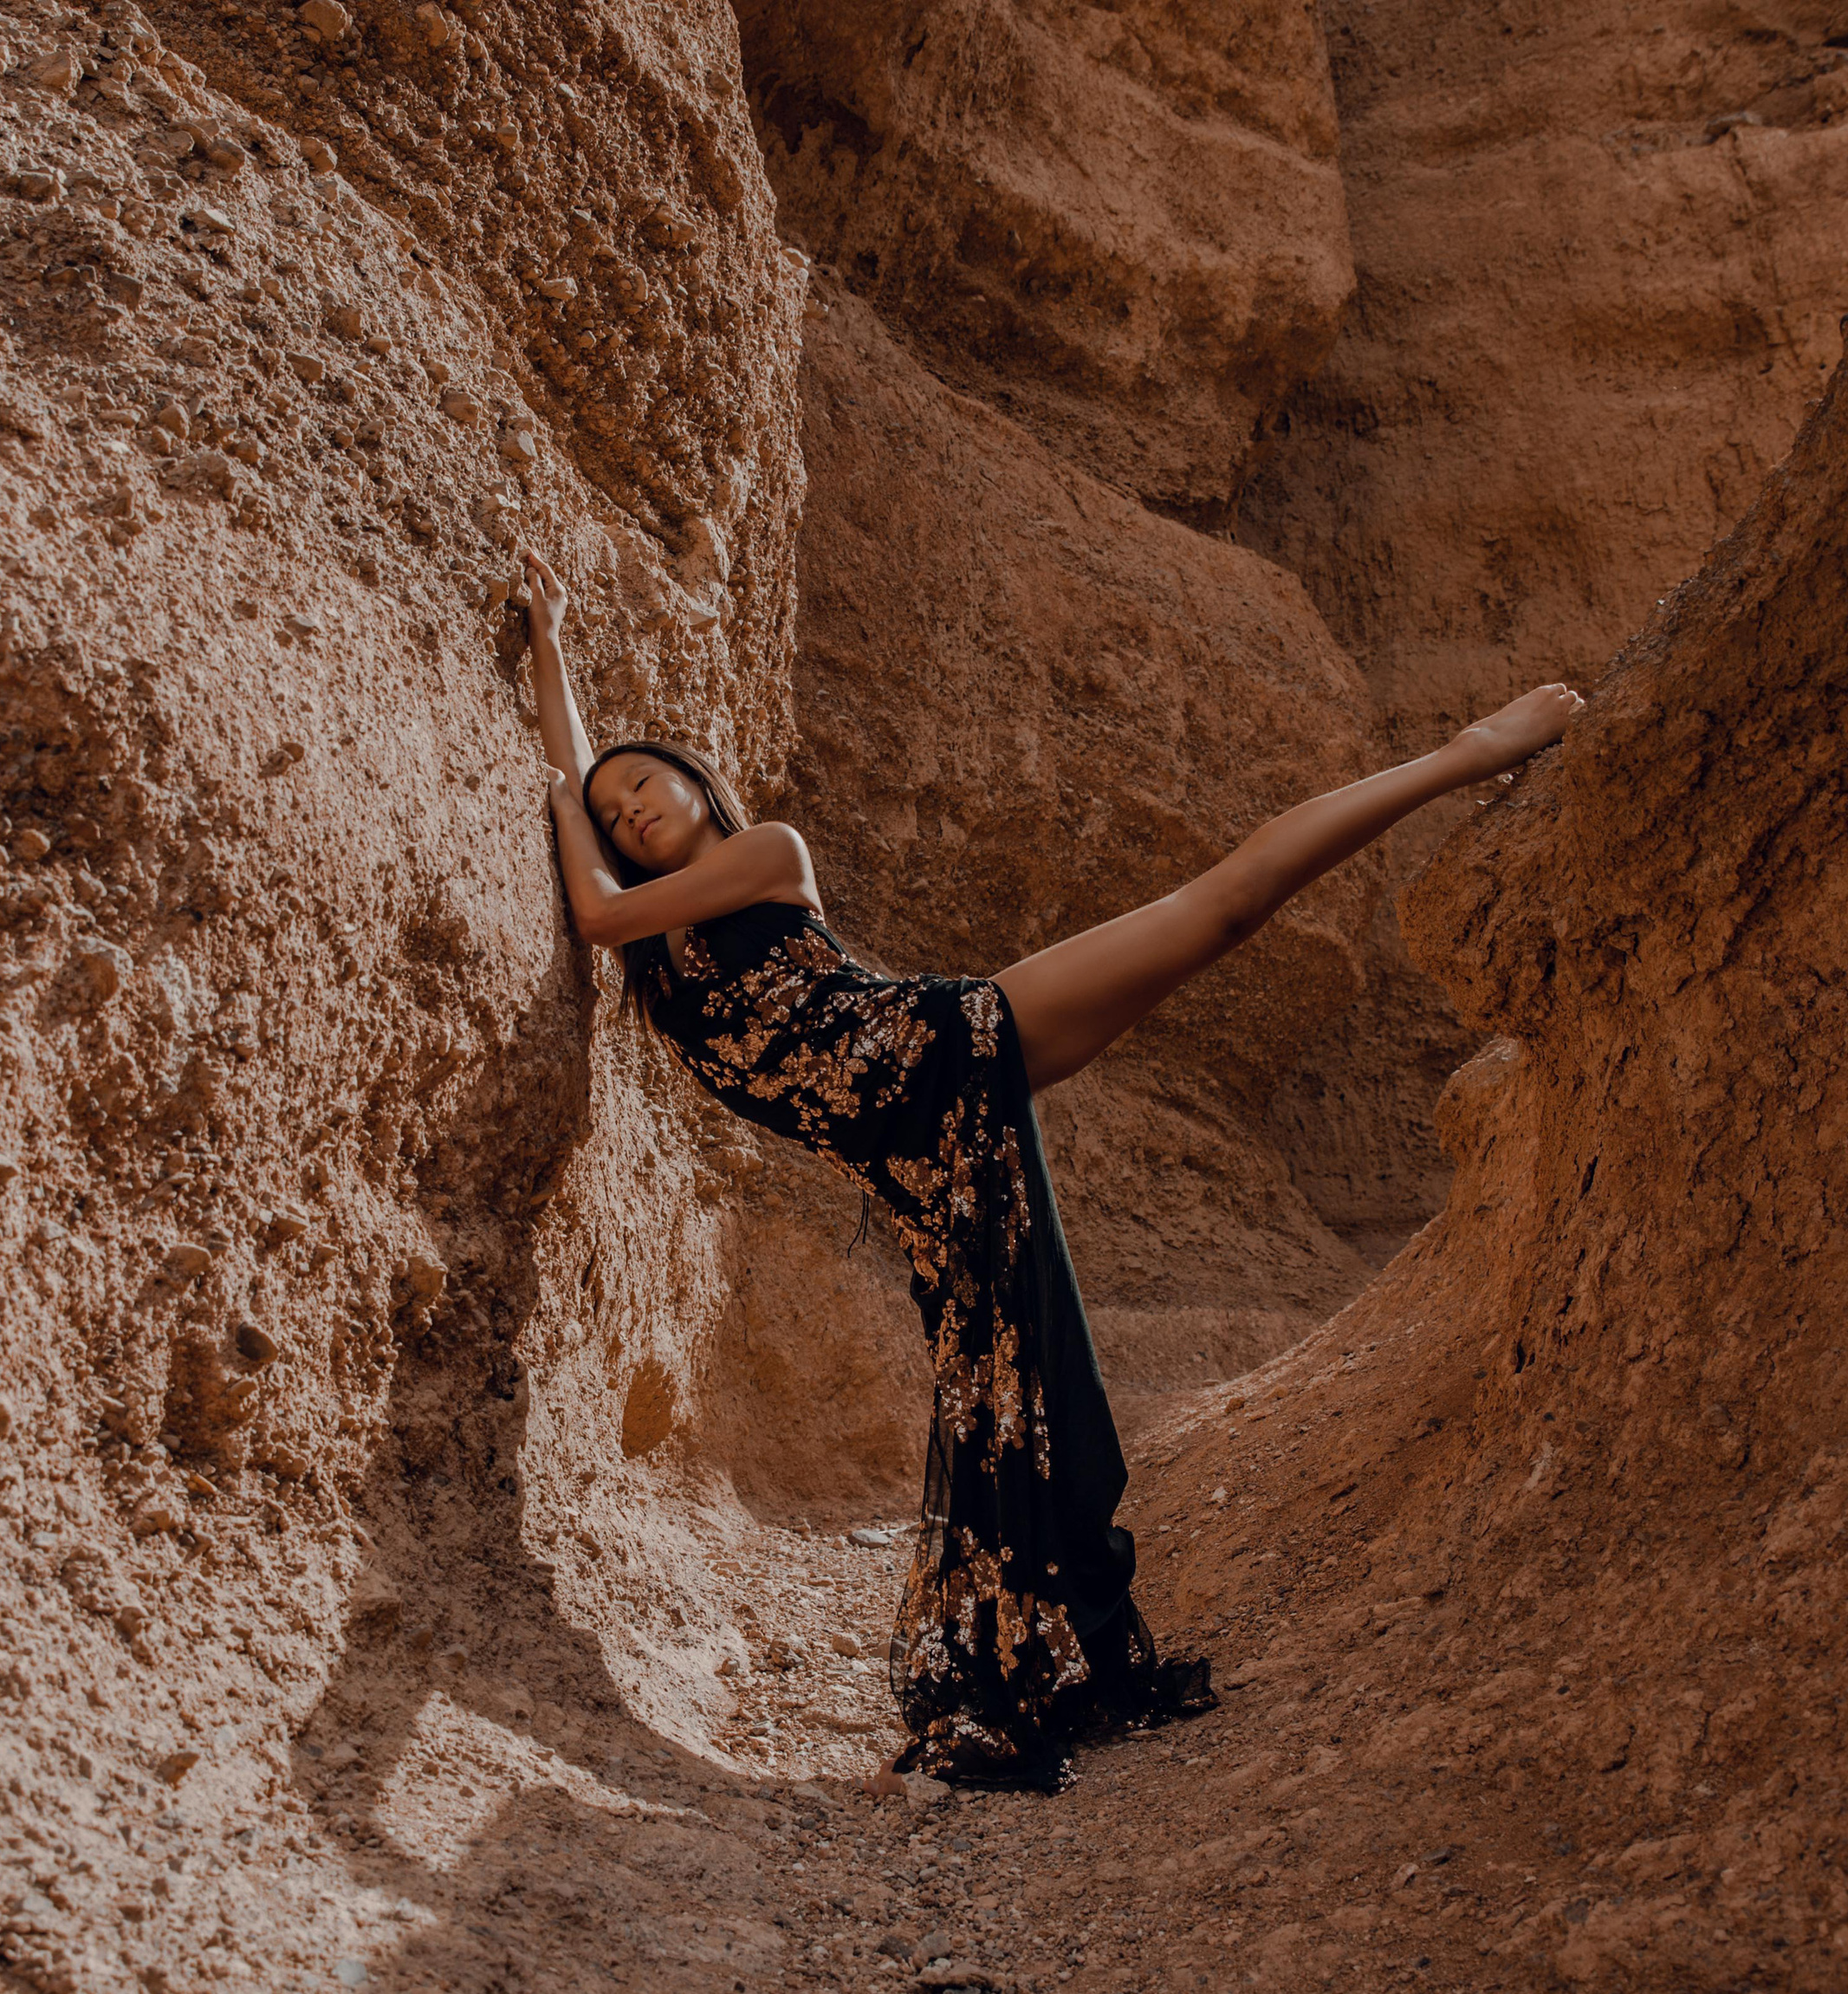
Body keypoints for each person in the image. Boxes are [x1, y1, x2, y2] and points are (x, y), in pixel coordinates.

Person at [522, 549, 1582, 1790]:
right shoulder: (669, 940)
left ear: (704, 791)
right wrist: (552, 657)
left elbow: (594, 894)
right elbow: (597, 816)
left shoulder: (764, 854)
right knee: (987, 1400)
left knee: (1223, 906)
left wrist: (560, 793)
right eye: (614, 817)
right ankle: (1031, 1657)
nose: (630, 809)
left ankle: (1468, 750)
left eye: (651, 787)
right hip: (915, 1163)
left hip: (941, 1049)